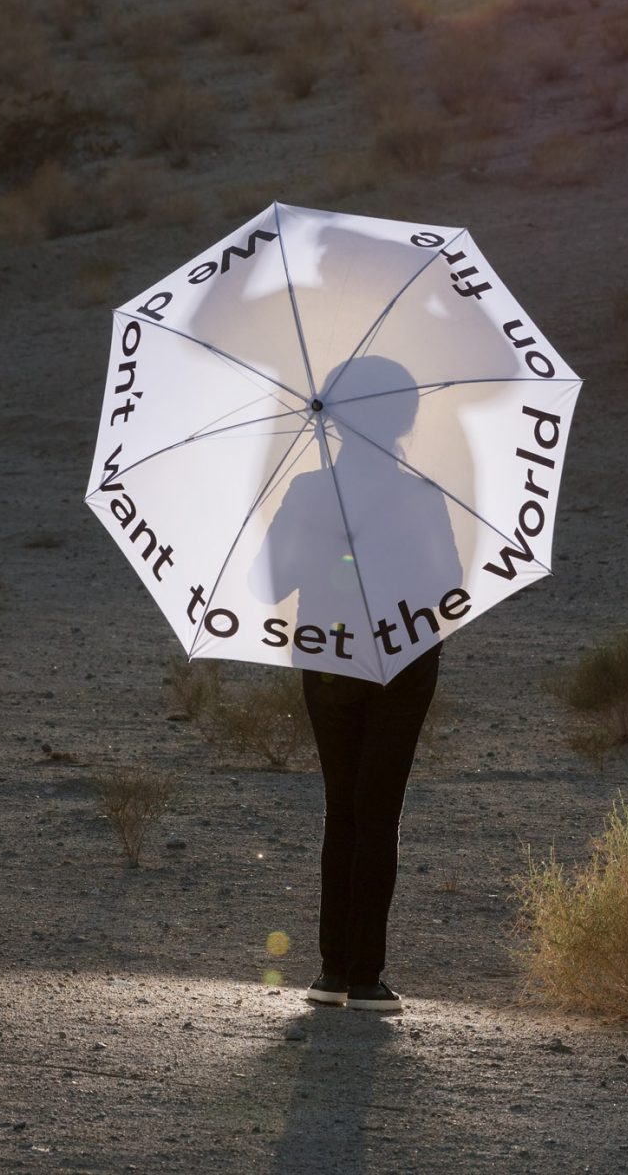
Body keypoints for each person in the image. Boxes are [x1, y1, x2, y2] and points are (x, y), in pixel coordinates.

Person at [249, 354, 462, 1014]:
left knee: (343, 808)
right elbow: (449, 587)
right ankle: (366, 976)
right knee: (378, 811)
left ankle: (332, 972)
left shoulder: (311, 491)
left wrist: (324, 528)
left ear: (333, 420)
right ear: (405, 419)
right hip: (405, 661)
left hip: (327, 658)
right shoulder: (422, 494)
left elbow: (266, 584)